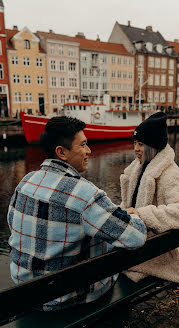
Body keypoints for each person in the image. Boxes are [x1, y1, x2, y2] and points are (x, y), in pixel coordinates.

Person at [7, 116, 147, 311]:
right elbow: (136, 237)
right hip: (64, 299)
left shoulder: (26, 182)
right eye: (83, 145)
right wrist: (133, 216)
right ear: (62, 152)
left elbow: (12, 222)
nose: (89, 151)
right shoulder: (84, 194)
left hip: (24, 291)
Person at [120, 112, 179, 283]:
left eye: (141, 144)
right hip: (141, 241)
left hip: (156, 250)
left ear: (153, 145)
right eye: (134, 143)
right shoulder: (138, 167)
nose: (135, 148)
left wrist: (143, 215)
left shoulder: (168, 173)